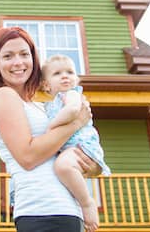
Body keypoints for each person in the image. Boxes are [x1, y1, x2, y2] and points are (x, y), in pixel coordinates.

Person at [0, 26, 101, 232]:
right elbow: (28, 157)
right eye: (8, 56)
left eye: (24, 54)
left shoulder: (38, 105)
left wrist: (91, 164)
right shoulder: (4, 96)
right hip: (42, 211)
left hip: (67, 210)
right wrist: (76, 123)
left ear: (33, 59)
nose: (18, 62)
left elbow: (59, 149)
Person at [42, 54, 111, 232]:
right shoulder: (49, 105)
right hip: (72, 148)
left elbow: (73, 110)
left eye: (70, 72)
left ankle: (87, 203)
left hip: (82, 146)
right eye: (57, 73)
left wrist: (51, 127)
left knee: (63, 166)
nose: (65, 76)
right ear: (46, 84)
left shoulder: (71, 94)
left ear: (76, 79)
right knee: (63, 168)